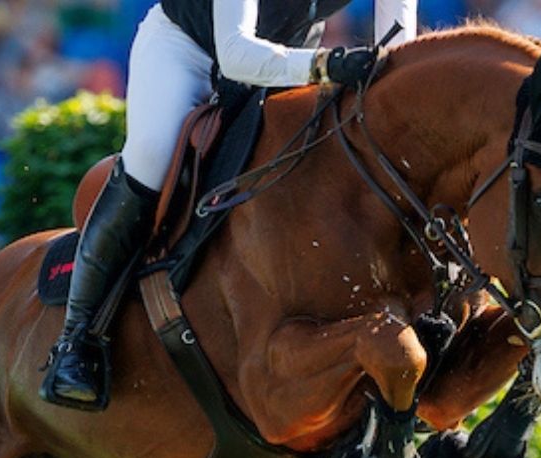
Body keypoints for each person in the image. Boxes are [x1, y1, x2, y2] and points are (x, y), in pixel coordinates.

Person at [40, 0, 417, 412]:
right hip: (188, 51)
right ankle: (78, 341)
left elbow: (398, 51)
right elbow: (236, 54)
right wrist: (329, 65)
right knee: (151, 156)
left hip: (286, 60)